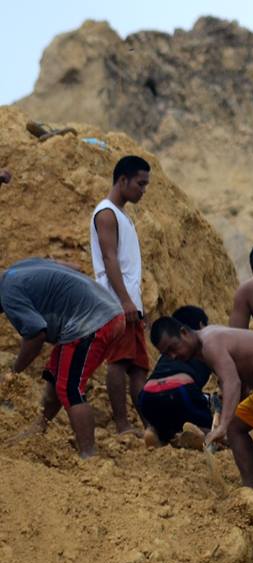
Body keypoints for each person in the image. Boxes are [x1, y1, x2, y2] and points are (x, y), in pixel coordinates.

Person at [150, 319, 253, 540]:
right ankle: (251, 492)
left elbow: (232, 382)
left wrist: (222, 426)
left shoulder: (210, 343)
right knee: (238, 427)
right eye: (167, 354)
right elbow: (240, 375)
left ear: (184, 332)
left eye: (173, 347)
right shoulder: (204, 344)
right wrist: (229, 425)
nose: (173, 356)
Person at [0, 258, 124, 458]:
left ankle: (88, 454)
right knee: (55, 376)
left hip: (93, 323)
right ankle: (39, 428)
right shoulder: (16, 270)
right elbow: (74, 266)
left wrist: (14, 372)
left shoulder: (8, 294)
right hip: (104, 312)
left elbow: (36, 334)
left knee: (69, 388)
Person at [91, 155, 151, 436]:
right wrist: (126, 301)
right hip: (116, 303)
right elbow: (109, 259)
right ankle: (122, 426)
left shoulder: (121, 215)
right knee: (119, 362)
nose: (143, 190)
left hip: (129, 302)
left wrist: (136, 303)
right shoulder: (106, 213)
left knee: (138, 367)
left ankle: (150, 426)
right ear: (123, 180)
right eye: (140, 183)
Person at [139, 305, 214, 448]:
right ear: (201, 325)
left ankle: (154, 432)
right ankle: (202, 434)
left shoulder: (167, 352)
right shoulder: (201, 345)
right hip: (181, 389)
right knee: (205, 421)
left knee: (165, 422)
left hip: (147, 394)